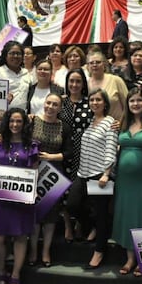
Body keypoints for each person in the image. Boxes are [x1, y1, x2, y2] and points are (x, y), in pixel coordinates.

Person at [0, 108, 39, 284]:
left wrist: (32, 188)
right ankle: (1, 271)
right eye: (12, 121)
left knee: (20, 237)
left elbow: (34, 171)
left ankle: (15, 275)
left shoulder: (31, 146)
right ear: (7, 123)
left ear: (24, 124)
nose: (15, 125)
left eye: (19, 122)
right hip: (1, 198)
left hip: (21, 199)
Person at [66, 88, 118, 269]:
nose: (95, 103)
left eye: (98, 100)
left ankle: (99, 250)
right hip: (83, 173)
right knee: (72, 204)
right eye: (92, 100)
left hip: (100, 174)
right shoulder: (90, 122)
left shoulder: (110, 123)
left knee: (102, 214)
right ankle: (92, 225)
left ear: (105, 103)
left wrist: (106, 173)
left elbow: (111, 149)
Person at [112, 87, 142, 277]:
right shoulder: (122, 124)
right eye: (132, 101)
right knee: (127, 216)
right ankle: (130, 259)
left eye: (139, 100)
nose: (135, 104)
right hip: (124, 180)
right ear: (127, 104)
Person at [28, 93, 73, 268]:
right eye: (48, 103)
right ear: (43, 103)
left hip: (54, 175)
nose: (50, 107)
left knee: (51, 217)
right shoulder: (31, 121)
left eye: (55, 104)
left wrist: (52, 157)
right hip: (33, 172)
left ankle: (45, 251)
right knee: (35, 216)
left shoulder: (65, 127)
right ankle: (33, 251)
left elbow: (69, 153)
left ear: (60, 108)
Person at [59, 68, 93, 242]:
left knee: (80, 192)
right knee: (63, 189)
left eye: (78, 81)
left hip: (85, 152)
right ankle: (67, 225)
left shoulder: (90, 103)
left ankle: (80, 223)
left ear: (83, 84)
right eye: (71, 81)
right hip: (63, 151)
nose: (74, 84)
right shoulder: (61, 102)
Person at [87, 51, 128, 122]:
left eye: (98, 62)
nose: (94, 65)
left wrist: (122, 122)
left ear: (104, 64)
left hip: (117, 126)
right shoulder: (85, 84)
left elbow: (127, 104)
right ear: (87, 66)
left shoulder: (116, 80)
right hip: (96, 127)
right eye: (91, 63)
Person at [0, 40, 31, 110]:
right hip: (2, 115)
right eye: (12, 53)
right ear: (5, 56)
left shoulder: (26, 73)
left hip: (22, 117)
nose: (15, 56)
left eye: (18, 53)